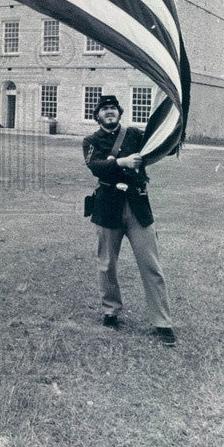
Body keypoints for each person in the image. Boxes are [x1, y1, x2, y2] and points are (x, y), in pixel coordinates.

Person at [82, 94, 176, 346]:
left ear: (119, 112)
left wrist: (177, 128)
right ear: (97, 115)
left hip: (137, 206)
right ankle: (110, 311)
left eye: (113, 108)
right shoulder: (91, 140)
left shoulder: (134, 134)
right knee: (106, 264)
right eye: (104, 109)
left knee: (151, 265)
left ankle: (162, 323)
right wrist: (121, 161)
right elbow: (95, 166)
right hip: (107, 206)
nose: (109, 112)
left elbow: (160, 145)